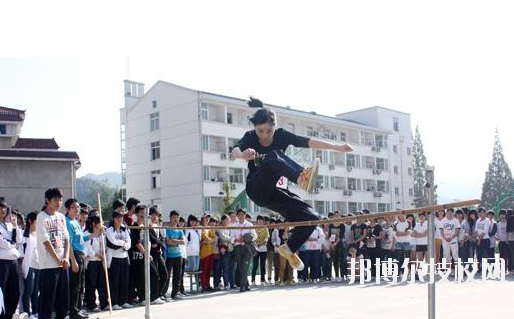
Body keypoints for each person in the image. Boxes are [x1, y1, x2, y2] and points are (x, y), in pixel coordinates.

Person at [231, 97, 353, 270]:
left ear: (275, 127)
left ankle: (289, 248)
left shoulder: (282, 135)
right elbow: (234, 150)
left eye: (269, 131)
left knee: (312, 217)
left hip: (274, 193)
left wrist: (337, 147)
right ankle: (301, 178)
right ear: (254, 128)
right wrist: (242, 154)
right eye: (260, 131)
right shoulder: (250, 137)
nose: (264, 136)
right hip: (256, 188)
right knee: (274, 156)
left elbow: (308, 142)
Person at [36, 188, 71, 319]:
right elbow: (46, 241)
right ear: (47, 201)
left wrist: (66, 258)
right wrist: (58, 259)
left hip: (63, 264)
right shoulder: (41, 217)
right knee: (47, 301)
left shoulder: (62, 217)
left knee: (63, 301)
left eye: (60, 200)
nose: (59, 203)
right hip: (48, 265)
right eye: (55, 200)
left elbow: (66, 238)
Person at [65, 198, 90, 319]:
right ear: (68, 209)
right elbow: (68, 242)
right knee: (74, 285)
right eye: (73, 207)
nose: (77, 209)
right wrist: (73, 261)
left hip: (80, 254)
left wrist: (94, 234)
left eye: (78, 207)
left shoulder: (76, 222)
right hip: (73, 255)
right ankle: (73, 311)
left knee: (80, 285)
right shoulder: (68, 222)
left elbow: (80, 239)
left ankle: (78, 309)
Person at [0, 201, 22, 319]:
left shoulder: (9, 225)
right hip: (2, 261)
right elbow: (2, 243)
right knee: (1, 290)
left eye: (4, 208)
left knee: (14, 291)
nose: (3, 210)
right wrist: (12, 244)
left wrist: (15, 226)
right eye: (0, 208)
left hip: (13, 261)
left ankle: (9, 314)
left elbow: (18, 240)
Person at [105, 211, 132, 310]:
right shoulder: (109, 230)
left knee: (124, 281)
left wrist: (125, 245)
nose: (119, 219)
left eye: (121, 217)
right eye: (117, 217)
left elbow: (129, 242)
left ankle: (123, 301)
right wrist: (123, 243)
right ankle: (114, 302)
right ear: (113, 219)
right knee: (114, 281)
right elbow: (113, 241)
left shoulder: (124, 230)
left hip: (124, 258)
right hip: (114, 259)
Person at [83, 216, 108, 311]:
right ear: (94, 223)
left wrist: (103, 253)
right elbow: (88, 249)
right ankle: (92, 304)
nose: (102, 225)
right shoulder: (87, 234)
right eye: (100, 222)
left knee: (102, 283)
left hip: (100, 262)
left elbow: (104, 246)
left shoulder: (102, 234)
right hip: (92, 262)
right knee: (91, 284)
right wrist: (98, 255)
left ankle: (104, 303)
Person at [21, 212, 39, 319]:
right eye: (37, 221)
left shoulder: (38, 235)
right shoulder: (24, 235)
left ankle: (35, 312)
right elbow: (21, 253)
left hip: (38, 266)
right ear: (30, 221)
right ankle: (27, 313)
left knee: (35, 291)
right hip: (28, 266)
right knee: (29, 290)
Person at [165, 210, 184, 300]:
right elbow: (167, 241)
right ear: (170, 218)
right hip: (169, 256)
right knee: (167, 275)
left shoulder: (179, 230)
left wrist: (174, 241)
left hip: (178, 255)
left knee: (178, 275)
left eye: (177, 217)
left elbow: (183, 241)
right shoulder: (167, 229)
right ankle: (163, 293)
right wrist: (177, 241)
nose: (176, 219)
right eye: (174, 217)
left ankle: (175, 293)